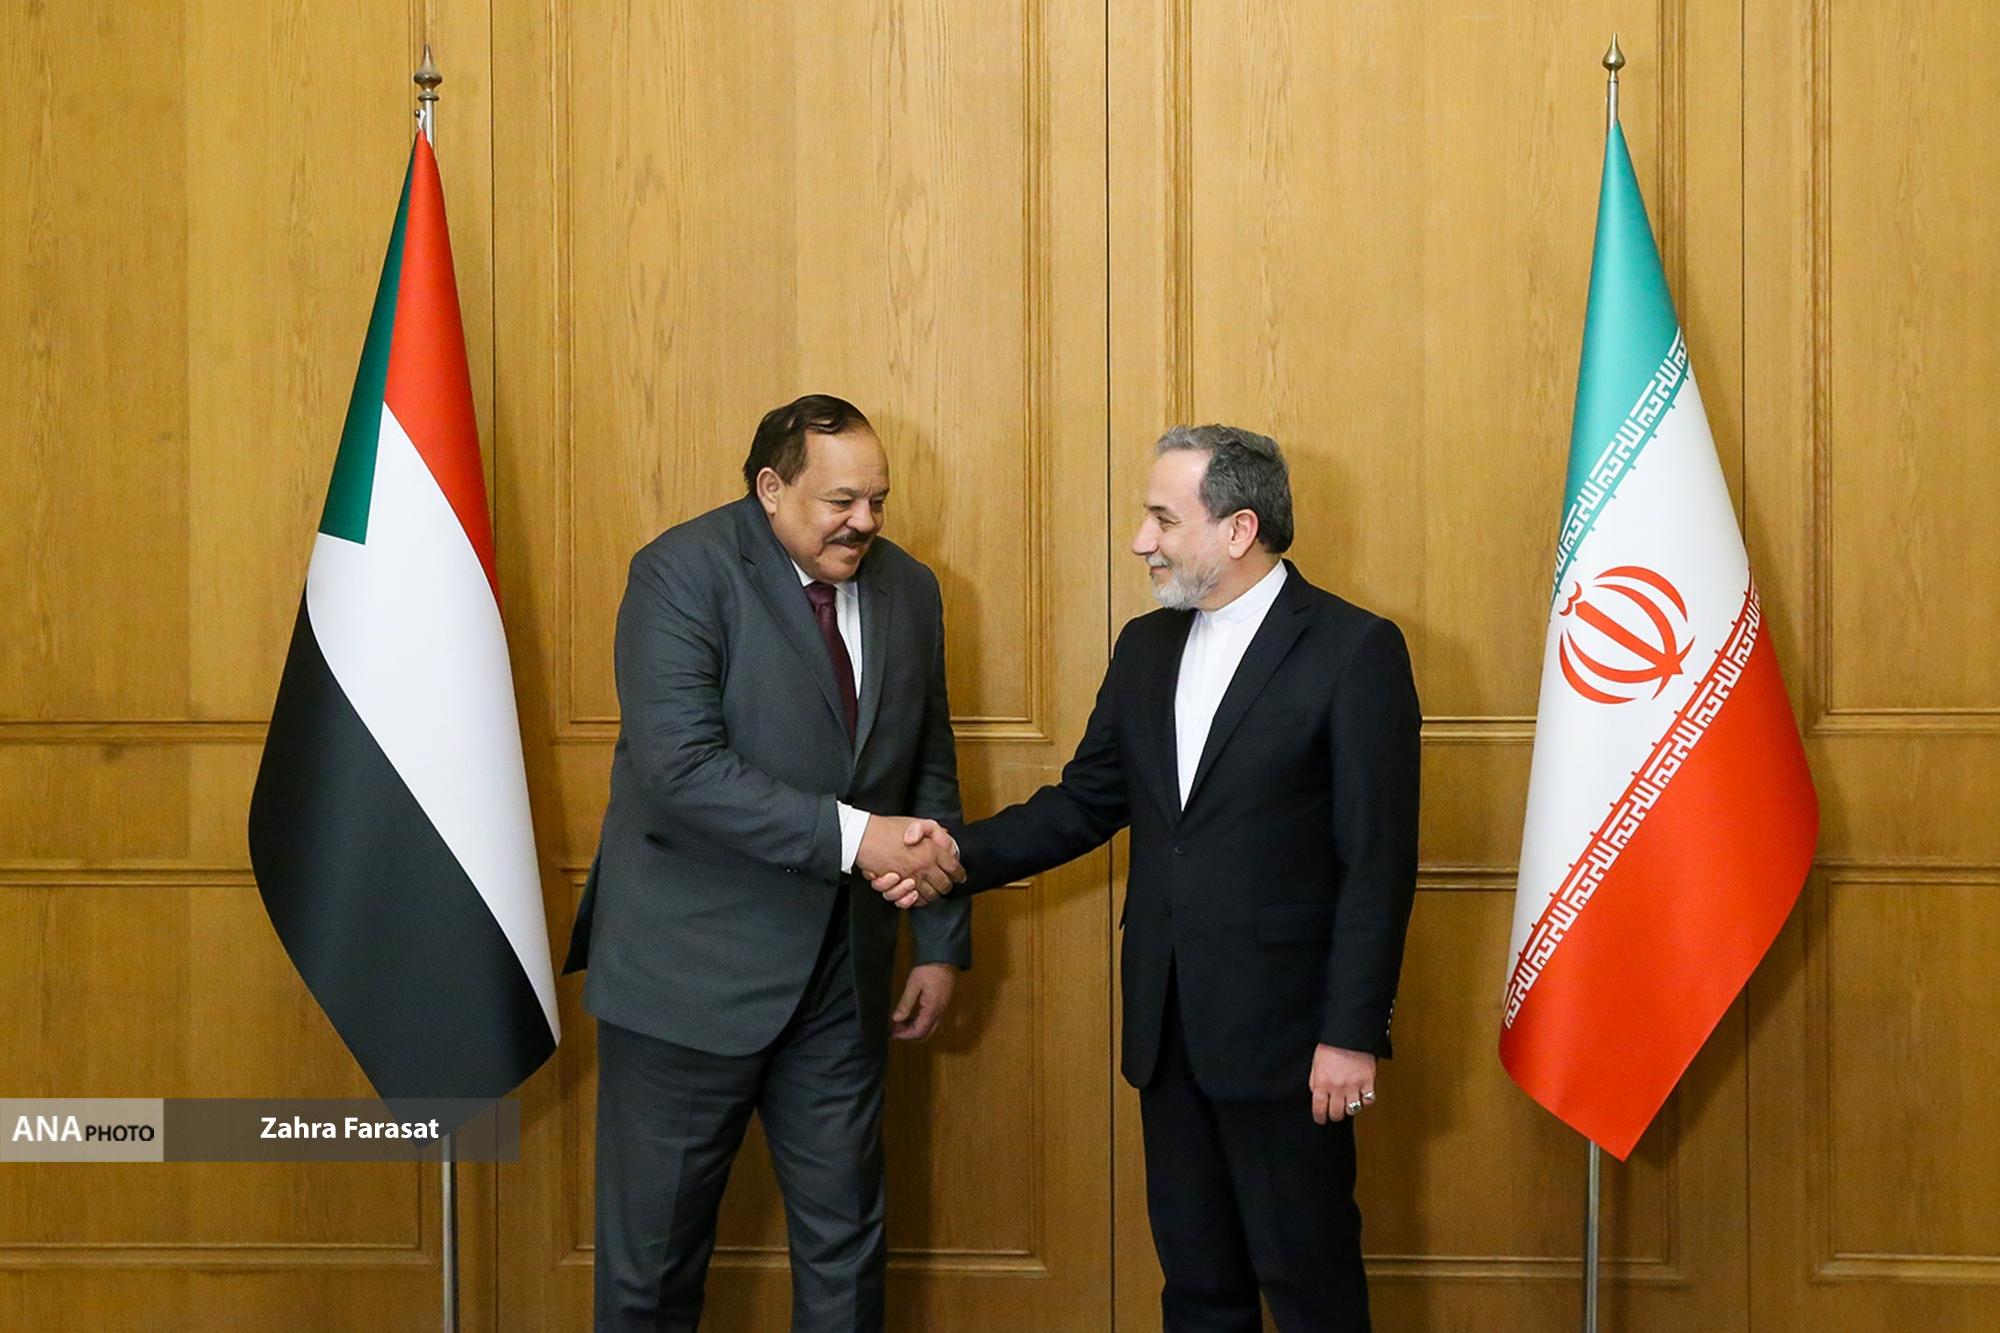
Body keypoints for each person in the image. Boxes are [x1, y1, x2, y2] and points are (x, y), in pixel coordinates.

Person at [883, 424, 1420, 1331]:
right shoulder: (1146, 646)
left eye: (1163, 519)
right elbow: (1085, 802)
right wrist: (951, 858)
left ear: (1239, 529)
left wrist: (1351, 1032)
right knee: (1198, 1287)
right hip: (1167, 1029)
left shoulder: (1354, 649)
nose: (1142, 540)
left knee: (1311, 1288)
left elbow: (1378, 864)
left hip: (1292, 1043)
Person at [565, 393, 970, 1332]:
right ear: (771, 488)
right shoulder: (680, 572)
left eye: (877, 499)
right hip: (685, 979)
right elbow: (680, 769)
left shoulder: (910, 588)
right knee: (652, 1271)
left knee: (846, 1258)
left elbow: (928, 766)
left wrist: (941, 939)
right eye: (841, 501)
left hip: (842, 978)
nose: (865, 521)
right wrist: (855, 837)